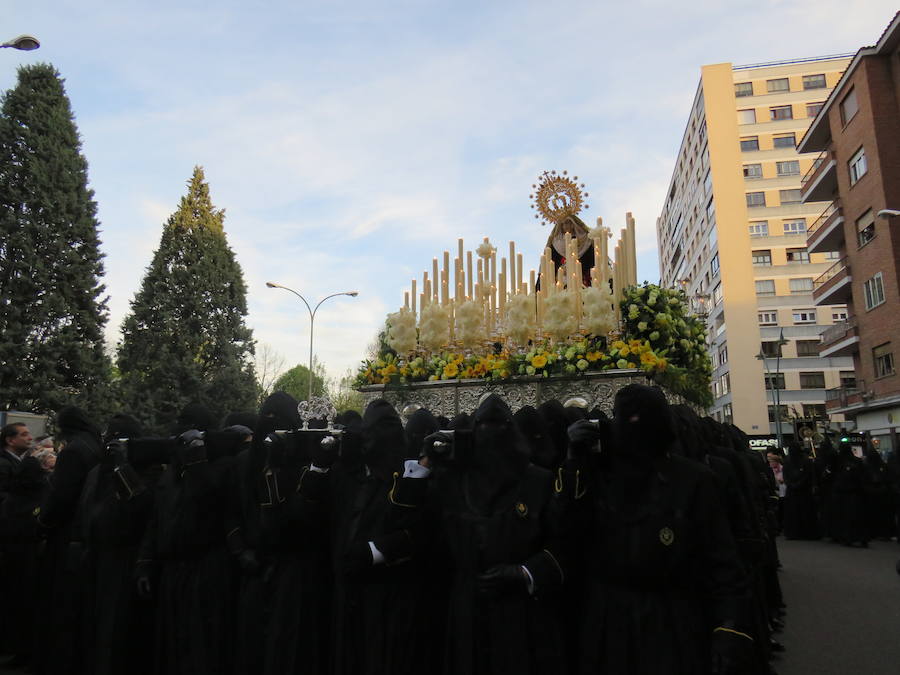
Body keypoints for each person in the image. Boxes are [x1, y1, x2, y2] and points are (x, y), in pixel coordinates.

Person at [559, 385, 753, 675]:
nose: (628, 427)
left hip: (672, 618)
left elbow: (721, 558)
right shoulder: (599, 474)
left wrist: (729, 626)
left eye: (638, 418)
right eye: (621, 417)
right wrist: (574, 460)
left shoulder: (694, 480)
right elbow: (567, 527)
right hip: (609, 620)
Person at [429, 393, 566, 675]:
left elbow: (564, 543)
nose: (490, 434)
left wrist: (525, 572)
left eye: (499, 425)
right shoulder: (455, 480)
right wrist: (428, 463)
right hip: (467, 606)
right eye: (483, 426)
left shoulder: (538, 480)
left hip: (520, 612)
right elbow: (430, 535)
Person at [330, 399, 433, 675]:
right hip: (352, 593)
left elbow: (423, 532)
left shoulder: (412, 476)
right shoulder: (353, 476)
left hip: (391, 595)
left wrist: (375, 551)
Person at [36, 406, 103, 675]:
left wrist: (42, 522)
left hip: (66, 534)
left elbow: (61, 495)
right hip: (85, 531)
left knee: (59, 602)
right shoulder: (94, 445)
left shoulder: (74, 450)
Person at [782, 443, 819, 540]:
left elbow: (785, 475)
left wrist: (791, 484)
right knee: (804, 512)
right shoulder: (806, 460)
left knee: (794, 512)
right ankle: (807, 532)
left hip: (794, 491)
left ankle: (794, 532)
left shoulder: (788, 460)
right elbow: (808, 475)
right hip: (803, 490)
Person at [0, 423, 32, 499]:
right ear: (10, 441)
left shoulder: (19, 460)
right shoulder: (3, 464)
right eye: (24, 435)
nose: (30, 438)